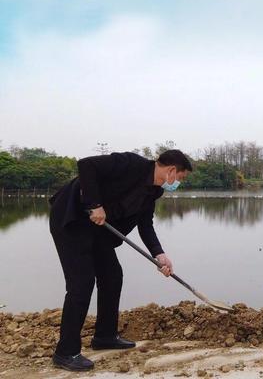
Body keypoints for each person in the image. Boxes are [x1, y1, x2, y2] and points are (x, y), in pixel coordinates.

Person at [48, 149, 192, 371]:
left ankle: (105, 336)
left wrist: (159, 254)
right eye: (180, 178)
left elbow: (145, 224)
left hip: (99, 230)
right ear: (171, 171)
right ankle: (65, 352)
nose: (177, 184)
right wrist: (94, 204)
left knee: (112, 276)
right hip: (73, 221)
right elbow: (86, 164)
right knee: (81, 283)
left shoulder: (153, 192)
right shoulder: (131, 164)